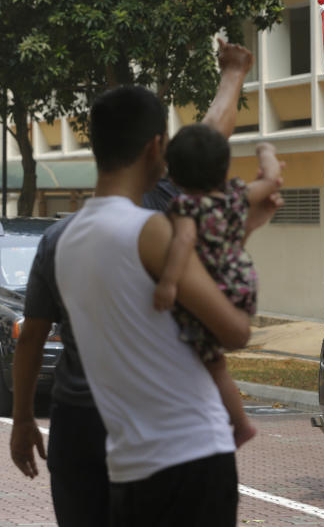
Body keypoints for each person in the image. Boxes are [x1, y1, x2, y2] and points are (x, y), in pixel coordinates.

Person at [9, 39, 258, 527]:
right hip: (187, 454)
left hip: (108, 443)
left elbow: (32, 340)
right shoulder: (156, 228)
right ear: (155, 149)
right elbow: (234, 331)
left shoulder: (60, 241)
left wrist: (21, 418)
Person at [153, 127, 285, 448]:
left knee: (214, 362)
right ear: (225, 169)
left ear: (175, 177)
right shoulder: (236, 194)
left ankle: (240, 425)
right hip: (242, 282)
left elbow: (184, 240)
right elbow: (271, 181)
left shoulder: (185, 207)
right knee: (215, 359)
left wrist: (168, 283)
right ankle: (239, 425)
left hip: (215, 285)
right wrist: (265, 149)